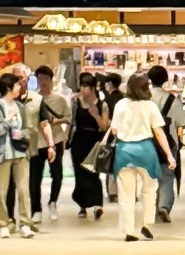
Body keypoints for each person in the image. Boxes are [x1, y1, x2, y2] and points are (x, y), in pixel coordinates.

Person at [108, 72, 177, 242]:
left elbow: (114, 130)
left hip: (124, 150)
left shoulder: (120, 105)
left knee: (126, 193)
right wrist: (169, 155)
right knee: (149, 190)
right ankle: (147, 224)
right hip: (146, 150)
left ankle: (129, 230)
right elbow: (159, 132)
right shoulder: (150, 106)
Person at [5, 64, 56, 228]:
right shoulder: (6, 99)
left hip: (31, 149)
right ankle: (10, 219)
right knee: (10, 186)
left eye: (22, 78)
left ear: (28, 79)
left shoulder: (37, 99)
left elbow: (45, 123)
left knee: (30, 184)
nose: (19, 81)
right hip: (9, 148)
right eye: (16, 77)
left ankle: (30, 216)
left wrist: (51, 145)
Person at [0, 72, 34, 240]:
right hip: (2, 153)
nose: (20, 87)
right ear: (8, 87)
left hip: (20, 153)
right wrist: (8, 119)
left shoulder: (20, 106)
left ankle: (26, 224)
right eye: (17, 85)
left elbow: (29, 128)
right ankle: (3, 224)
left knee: (23, 189)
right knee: (1, 191)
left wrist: (23, 133)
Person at [148, 64, 185, 223]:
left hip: (146, 143)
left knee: (150, 178)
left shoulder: (144, 98)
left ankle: (151, 207)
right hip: (168, 144)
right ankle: (163, 207)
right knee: (167, 177)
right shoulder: (172, 99)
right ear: (165, 79)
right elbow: (181, 122)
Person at [30, 65, 70, 222]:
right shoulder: (32, 99)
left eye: (46, 78)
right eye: (40, 78)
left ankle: (53, 201)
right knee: (35, 177)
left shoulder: (59, 99)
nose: (43, 82)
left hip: (56, 140)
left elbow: (68, 117)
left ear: (51, 80)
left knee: (57, 174)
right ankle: (36, 209)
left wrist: (57, 121)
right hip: (37, 142)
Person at [69, 71, 110, 220]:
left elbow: (104, 126)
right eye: (81, 86)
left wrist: (96, 115)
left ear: (93, 89)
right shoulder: (75, 103)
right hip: (78, 141)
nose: (83, 90)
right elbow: (72, 123)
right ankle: (83, 205)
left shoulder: (102, 105)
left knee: (93, 172)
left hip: (94, 142)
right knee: (80, 174)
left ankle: (98, 204)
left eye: (86, 87)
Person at [101, 74, 124, 202]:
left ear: (109, 83)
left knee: (110, 162)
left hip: (112, 134)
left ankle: (112, 191)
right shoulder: (124, 98)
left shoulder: (107, 100)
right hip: (126, 134)